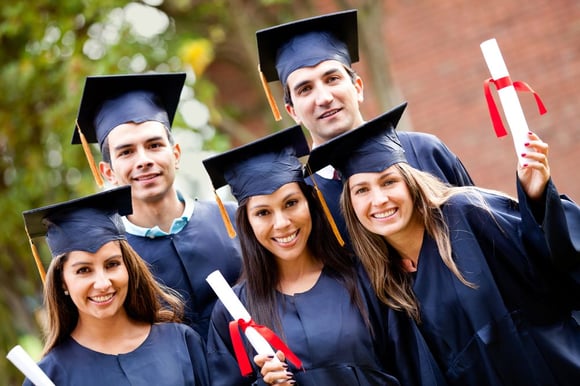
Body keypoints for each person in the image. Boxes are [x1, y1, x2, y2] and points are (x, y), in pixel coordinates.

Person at [307, 103, 580, 386]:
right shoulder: (381, 279)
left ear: (411, 183)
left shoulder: (468, 213)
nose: (378, 200)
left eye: (389, 182)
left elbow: (551, 262)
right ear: (350, 204)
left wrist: (537, 202)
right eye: (362, 190)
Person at [202, 125, 447, 386]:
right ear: (247, 223)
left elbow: (415, 368)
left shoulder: (365, 277)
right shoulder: (233, 314)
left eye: (291, 203)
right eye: (263, 212)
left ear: (310, 202)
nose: (282, 223)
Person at [255, 9, 474, 242]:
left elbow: (484, 228)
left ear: (358, 87)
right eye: (305, 89)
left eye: (332, 79)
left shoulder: (425, 151)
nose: (324, 98)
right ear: (292, 112)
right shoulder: (303, 198)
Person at [71, 72, 242, 339]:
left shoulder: (232, 220)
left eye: (154, 145)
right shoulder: (112, 258)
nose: (143, 160)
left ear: (175, 154)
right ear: (108, 172)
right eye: (126, 152)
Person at [21, 186, 210, 385]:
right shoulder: (48, 377)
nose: (103, 283)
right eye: (83, 270)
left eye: (112, 264)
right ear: (62, 282)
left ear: (128, 267)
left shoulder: (181, 342)